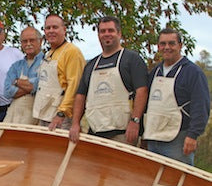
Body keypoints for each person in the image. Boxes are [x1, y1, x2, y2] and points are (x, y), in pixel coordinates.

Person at [69, 16, 148, 145]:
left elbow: (142, 91)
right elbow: (80, 96)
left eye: (110, 30)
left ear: (119, 33)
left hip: (123, 135)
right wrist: (75, 123)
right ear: (98, 35)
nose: (106, 34)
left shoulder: (131, 59)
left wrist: (135, 121)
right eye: (102, 31)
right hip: (95, 133)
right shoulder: (91, 65)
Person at [143, 28, 210, 165]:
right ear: (158, 47)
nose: (167, 47)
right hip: (153, 138)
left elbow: (201, 106)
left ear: (180, 45)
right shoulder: (155, 72)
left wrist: (192, 135)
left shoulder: (192, 72)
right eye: (163, 44)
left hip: (178, 139)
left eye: (171, 43)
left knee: (177, 182)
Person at [32, 14, 85, 130]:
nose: (51, 31)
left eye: (55, 27)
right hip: (45, 114)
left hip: (61, 118)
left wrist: (62, 113)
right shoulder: (49, 53)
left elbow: (74, 85)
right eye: (48, 28)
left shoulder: (72, 52)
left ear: (64, 30)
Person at [3, 26, 44, 125]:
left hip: (36, 115)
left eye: (32, 40)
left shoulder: (47, 62)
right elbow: (7, 91)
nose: (28, 44)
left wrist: (17, 82)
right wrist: (30, 88)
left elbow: (39, 86)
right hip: (14, 113)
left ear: (41, 41)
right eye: (25, 41)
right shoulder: (16, 66)